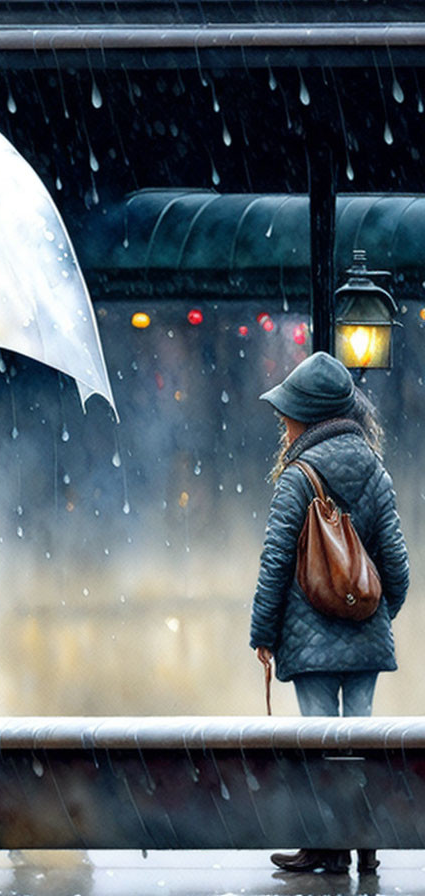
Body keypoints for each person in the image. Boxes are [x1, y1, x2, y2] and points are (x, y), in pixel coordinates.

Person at [250, 351, 409, 876]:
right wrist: (373, 614)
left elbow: (275, 561)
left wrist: (264, 632)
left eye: (289, 412)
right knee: (359, 743)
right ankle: (364, 843)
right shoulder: (376, 470)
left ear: (307, 416)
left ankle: (326, 847)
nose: (284, 421)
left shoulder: (298, 476)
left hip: (307, 642)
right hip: (367, 637)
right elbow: (397, 566)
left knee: (319, 745)